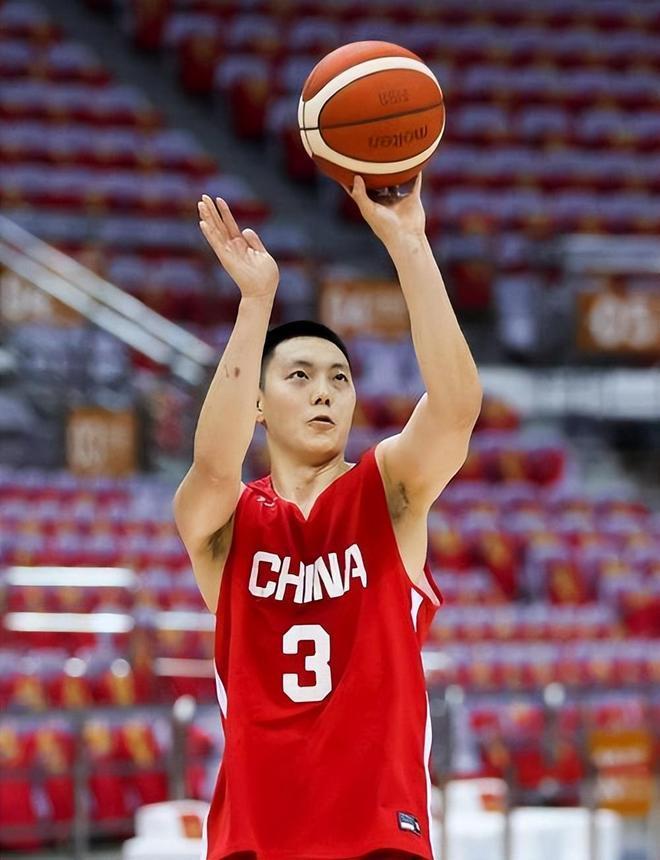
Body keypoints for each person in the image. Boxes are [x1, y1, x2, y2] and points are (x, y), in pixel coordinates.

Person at [173, 173, 482, 860]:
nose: (325, 393)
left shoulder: (388, 489)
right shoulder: (226, 524)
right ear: (257, 405)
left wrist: (410, 244)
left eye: (340, 378)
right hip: (254, 843)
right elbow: (215, 466)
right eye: (300, 376)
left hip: (379, 841)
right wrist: (256, 303)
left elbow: (456, 410)